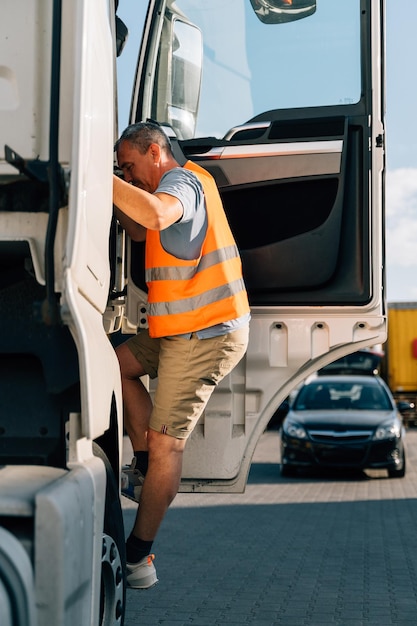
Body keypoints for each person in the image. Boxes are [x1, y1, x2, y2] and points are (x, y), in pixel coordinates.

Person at [112, 121, 250, 589]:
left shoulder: (182, 183)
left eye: (129, 167)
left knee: (168, 440)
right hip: (178, 328)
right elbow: (137, 226)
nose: (127, 176)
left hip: (205, 333)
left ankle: (138, 557)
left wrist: (90, 174)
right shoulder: (164, 186)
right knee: (116, 368)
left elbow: (154, 215)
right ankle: (146, 465)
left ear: (155, 152)